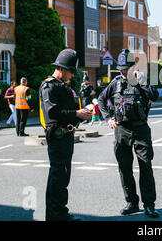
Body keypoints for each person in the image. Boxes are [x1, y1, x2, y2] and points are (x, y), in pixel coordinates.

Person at [98, 49, 159, 218]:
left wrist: (143, 81)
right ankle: (131, 202)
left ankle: (149, 205)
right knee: (124, 168)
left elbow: (154, 96)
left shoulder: (142, 81)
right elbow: (101, 99)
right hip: (121, 130)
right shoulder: (116, 83)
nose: (124, 72)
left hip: (140, 129)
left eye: (127, 68)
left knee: (145, 166)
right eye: (122, 69)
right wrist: (108, 118)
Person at [40, 49, 92, 221]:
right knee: (57, 176)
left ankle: (60, 212)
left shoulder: (63, 86)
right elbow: (53, 112)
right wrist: (76, 114)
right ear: (61, 69)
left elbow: (68, 110)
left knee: (63, 176)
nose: (71, 75)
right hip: (57, 136)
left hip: (66, 135)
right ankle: (55, 216)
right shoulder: (49, 85)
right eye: (70, 71)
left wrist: (81, 115)